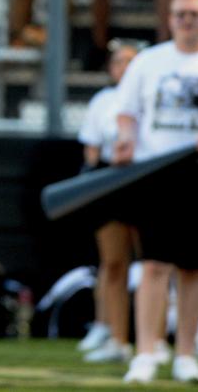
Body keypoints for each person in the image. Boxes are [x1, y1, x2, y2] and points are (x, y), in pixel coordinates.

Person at [116, 0, 198, 384]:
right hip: (154, 173)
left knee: (192, 269)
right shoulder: (149, 62)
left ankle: (186, 354)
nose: (187, 20)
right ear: (169, 19)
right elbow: (127, 112)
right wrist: (125, 139)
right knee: (154, 265)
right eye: (180, 14)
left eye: (194, 14)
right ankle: (146, 352)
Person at [76, 41, 140, 363]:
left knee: (156, 264)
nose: (125, 67)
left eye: (132, 61)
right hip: (110, 181)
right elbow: (92, 149)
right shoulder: (103, 100)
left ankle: (151, 344)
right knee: (113, 263)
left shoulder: (149, 96)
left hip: (146, 178)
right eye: (119, 62)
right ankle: (116, 338)